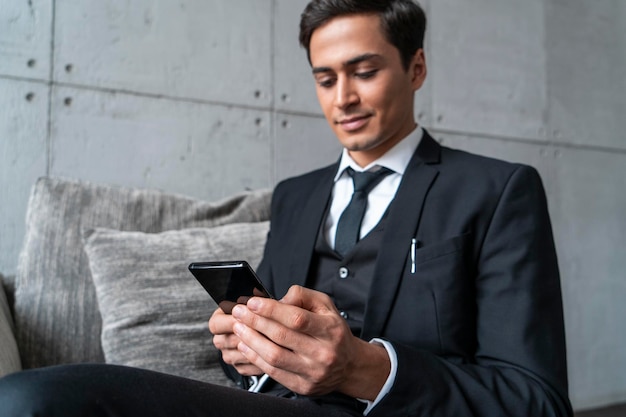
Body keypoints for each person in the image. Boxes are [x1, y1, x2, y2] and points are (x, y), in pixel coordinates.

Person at [0, 1, 573, 416]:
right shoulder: (295, 196)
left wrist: (363, 369)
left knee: (39, 400)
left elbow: (536, 399)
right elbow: (262, 343)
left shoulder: (498, 190)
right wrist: (246, 350)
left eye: (364, 71)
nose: (342, 98)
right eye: (325, 79)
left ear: (416, 68)